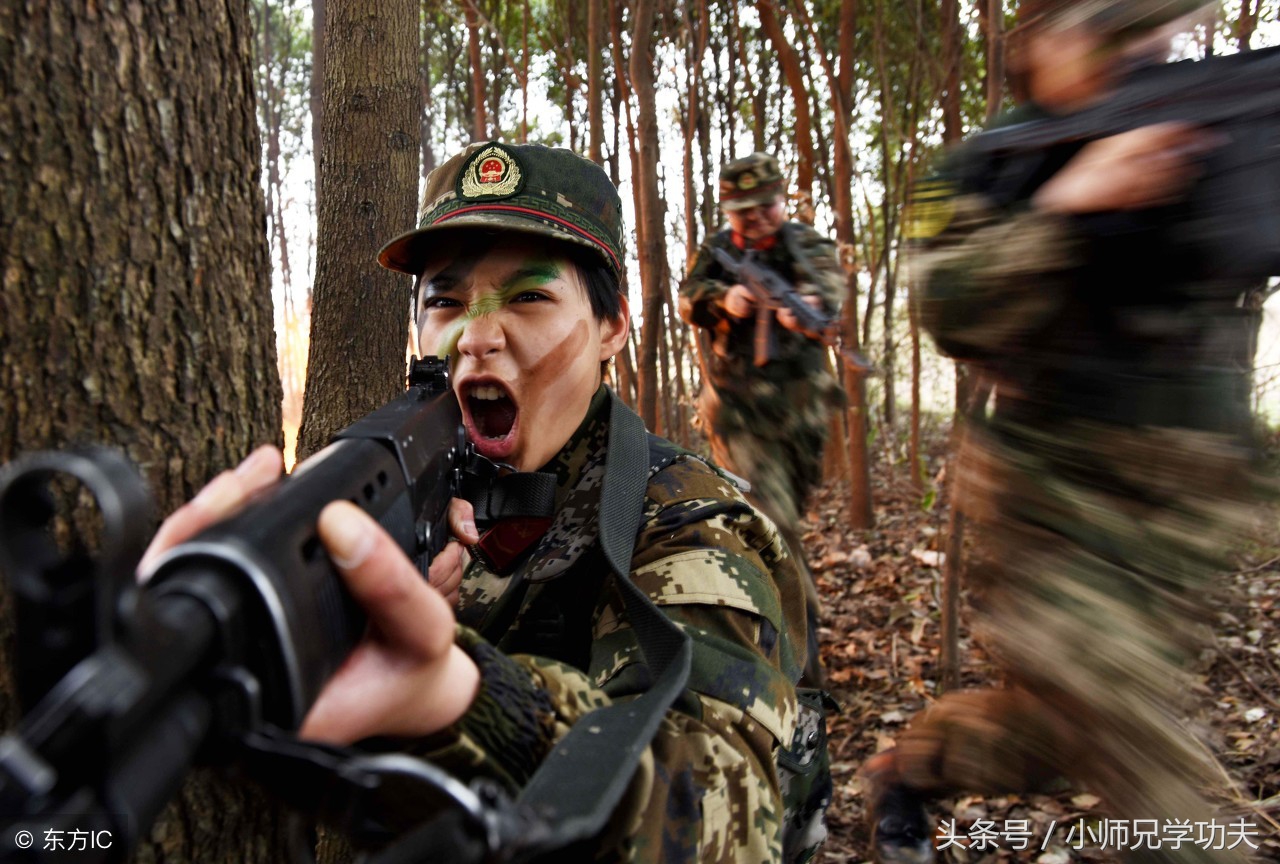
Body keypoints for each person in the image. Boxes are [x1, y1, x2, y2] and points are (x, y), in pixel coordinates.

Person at [145, 142, 829, 862]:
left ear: (611, 328)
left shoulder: (688, 522)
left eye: (530, 297)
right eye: (445, 301)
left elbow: (724, 816)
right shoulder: (420, 482)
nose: (476, 337)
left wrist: (466, 697)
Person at [864, 3, 1266, 863]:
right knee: (1124, 728)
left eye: (1153, 33)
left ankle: (911, 768)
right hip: (1050, 496)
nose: (1141, 53)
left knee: (1062, 727)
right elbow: (948, 305)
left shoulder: (1214, 108)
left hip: (1185, 506)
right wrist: (1068, 206)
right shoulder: (985, 165)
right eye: (1110, 33)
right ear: (1038, 43)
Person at [678, 153, 846, 686]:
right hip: (740, 420)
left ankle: (777, 634)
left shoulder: (806, 243)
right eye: (744, 213)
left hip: (800, 421)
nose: (758, 220)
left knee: (784, 523)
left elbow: (830, 290)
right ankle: (801, 670)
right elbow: (687, 299)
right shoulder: (720, 250)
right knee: (776, 531)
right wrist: (724, 298)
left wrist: (809, 305)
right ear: (729, 212)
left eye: (766, 207)